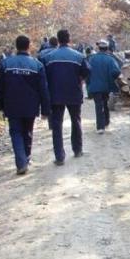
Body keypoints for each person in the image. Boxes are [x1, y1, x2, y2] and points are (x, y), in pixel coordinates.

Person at [0, 35, 51, 175]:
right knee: (28, 132)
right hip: (30, 106)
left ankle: (21, 162)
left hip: (12, 104)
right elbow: (43, 89)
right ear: (29, 46)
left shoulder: (6, 64)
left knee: (15, 133)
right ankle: (25, 158)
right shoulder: (37, 65)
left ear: (16, 46)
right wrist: (45, 109)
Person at [41, 29, 90, 165]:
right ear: (69, 39)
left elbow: (43, 75)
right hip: (74, 93)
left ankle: (59, 156)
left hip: (55, 94)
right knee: (76, 121)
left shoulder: (48, 57)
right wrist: (79, 79)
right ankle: (77, 149)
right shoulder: (79, 56)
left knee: (57, 125)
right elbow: (86, 72)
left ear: (58, 39)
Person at [87, 40, 121, 133]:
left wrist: (89, 85)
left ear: (99, 48)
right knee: (105, 103)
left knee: (98, 105)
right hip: (106, 86)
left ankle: (100, 127)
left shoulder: (92, 59)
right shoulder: (110, 59)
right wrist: (111, 78)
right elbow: (116, 72)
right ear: (107, 49)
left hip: (95, 87)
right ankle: (106, 122)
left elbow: (87, 72)